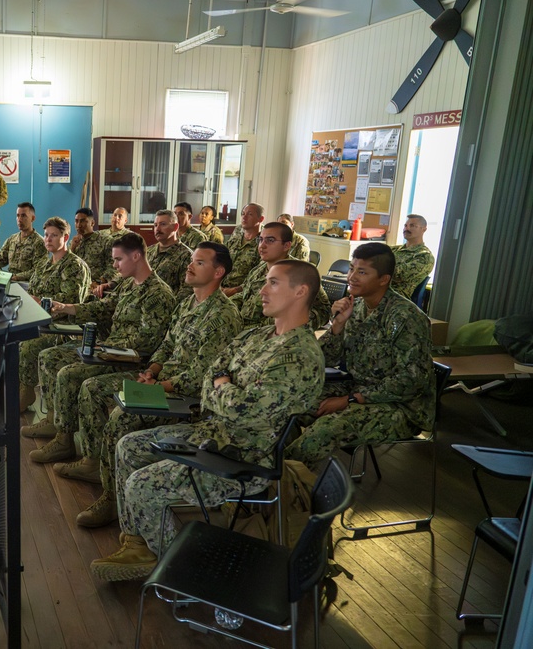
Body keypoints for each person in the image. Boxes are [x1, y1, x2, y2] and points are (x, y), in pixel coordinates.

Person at [89, 260, 326, 581]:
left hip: (242, 457)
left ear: (300, 291)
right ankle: (138, 543)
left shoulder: (300, 354)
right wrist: (225, 387)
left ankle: (177, 566)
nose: (261, 290)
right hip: (213, 434)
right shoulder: (257, 335)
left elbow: (247, 410)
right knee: (128, 446)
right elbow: (212, 373)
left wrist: (223, 387)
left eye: (272, 283)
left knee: (140, 484)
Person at [61, 243, 243, 528]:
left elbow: (203, 375)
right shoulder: (188, 303)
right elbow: (167, 344)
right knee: (95, 388)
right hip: (162, 382)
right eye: (191, 260)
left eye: (199, 263)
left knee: (122, 417)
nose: (189, 266)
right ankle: (96, 466)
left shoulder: (223, 315)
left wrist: (162, 385)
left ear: (219, 272)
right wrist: (152, 370)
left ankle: (113, 499)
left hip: (187, 397)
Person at [25, 233, 177, 462]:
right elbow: (104, 307)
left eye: (118, 260)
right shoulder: (129, 284)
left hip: (129, 360)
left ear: (136, 256)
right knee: (49, 356)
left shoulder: (158, 294)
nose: (114, 266)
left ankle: (87, 456)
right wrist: (67, 307)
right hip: (110, 350)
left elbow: (147, 341)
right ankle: (57, 424)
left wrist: (107, 346)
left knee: (69, 375)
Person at [286, 243, 436, 468]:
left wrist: (350, 400)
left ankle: (281, 482)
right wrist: (337, 326)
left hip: (401, 407)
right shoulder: (355, 307)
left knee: (327, 429)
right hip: (358, 388)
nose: (352, 277)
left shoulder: (405, 317)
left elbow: (412, 381)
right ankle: (284, 477)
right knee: (289, 402)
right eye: (351, 269)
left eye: (362, 272)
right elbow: (326, 359)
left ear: (384, 279)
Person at [19, 216, 92, 412]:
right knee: (10, 337)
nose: (48, 239)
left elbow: (71, 299)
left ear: (66, 237)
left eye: (54, 235)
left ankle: (27, 395)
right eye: (46, 235)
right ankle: (17, 388)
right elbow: (31, 289)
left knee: (28, 345)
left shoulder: (75, 265)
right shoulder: (44, 263)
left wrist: (39, 301)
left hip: (62, 327)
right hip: (37, 319)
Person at [235, 222, 331, 329]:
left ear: (286, 246)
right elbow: (245, 295)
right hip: (243, 327)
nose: (262, 245)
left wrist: (274, 327)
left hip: (269, 335)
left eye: (270, 240)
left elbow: (323, 311)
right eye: (260, 240)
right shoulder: (258, 269)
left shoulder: (299, 272)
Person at [92, 210, 191, 299]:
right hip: (134, 299)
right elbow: (131, 271)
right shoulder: (149, 251)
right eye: (155, 225)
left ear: (175, 227)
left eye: (163, 224)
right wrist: (111, 284)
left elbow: (186, 292)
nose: (158, 229)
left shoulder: (186, 256)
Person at [0, 201, 47, 281]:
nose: (19, 219)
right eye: (17, 216)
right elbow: (1, 257)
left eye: (23, 216)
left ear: (32, 218)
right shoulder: (12, 239)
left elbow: (38, 271)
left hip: (27, 285)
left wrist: (16, 277)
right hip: (10, 280)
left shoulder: (40, 243)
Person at [70, 207, 118, 289]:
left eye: (82, 221)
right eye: (76, 221)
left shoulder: (105, 241)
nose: (78, 225)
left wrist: (100, 282)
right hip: (76, 286)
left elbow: (113, 267)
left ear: (92, 223)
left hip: (96, 287)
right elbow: (67, 266)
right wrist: (72, 249)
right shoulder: (74, 242)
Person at [390, 213, 435, 300]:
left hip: (394, 299)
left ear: (424, 229)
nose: (407, 229)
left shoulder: (424, 256)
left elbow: (398, 275)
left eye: (412, 226)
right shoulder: (393, 250)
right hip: (373, 290)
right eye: (405, 225)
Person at [222, 202, 264, 291]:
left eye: (250, 214)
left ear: (261, 219)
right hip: (222, 286)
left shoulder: (264, 241)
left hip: (243, 293)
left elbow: (260, 276)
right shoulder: (238, 231)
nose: (244, 217)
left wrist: (235, 290)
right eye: (243, 214)